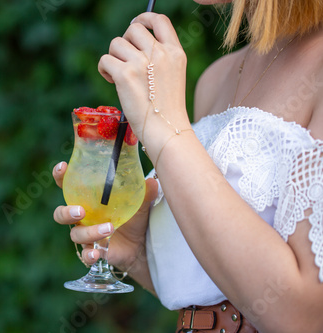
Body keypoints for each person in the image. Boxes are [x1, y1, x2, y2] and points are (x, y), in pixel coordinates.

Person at [53, 0, 323, 332]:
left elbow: (304, 317)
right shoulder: (217, 78)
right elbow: (215, 291)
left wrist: (166, 129)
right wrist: (134, 254)